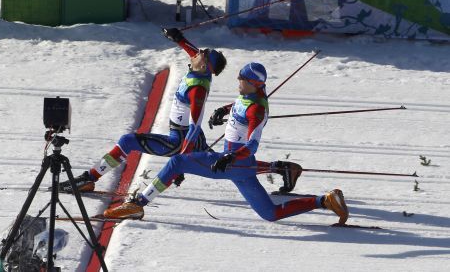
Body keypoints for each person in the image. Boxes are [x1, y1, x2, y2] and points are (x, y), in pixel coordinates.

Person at [103, 62, 349, 225]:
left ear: (253, 83)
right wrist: (224, 109)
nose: (238, 81)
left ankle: (137, 205)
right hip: (241, 169)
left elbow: (252, 143)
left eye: (241, 78)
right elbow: (240, 104)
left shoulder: (256, 110)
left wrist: (230, 157)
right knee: (270, 214)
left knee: (177, 161)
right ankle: (325, 200)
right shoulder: (249, 96)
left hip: (235, 163)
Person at [58, 28, 227, 192]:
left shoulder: (198, 89)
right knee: (227, 165)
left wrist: (181, 163)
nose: (196, 52)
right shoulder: (201, 69)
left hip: (181, 141)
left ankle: (89, 179)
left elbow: (194, 127)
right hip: (192, 138)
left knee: (127, 141)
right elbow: (193, 52)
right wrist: (178, 38)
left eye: (201, 54)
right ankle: (243, 167)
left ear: (204, 64)